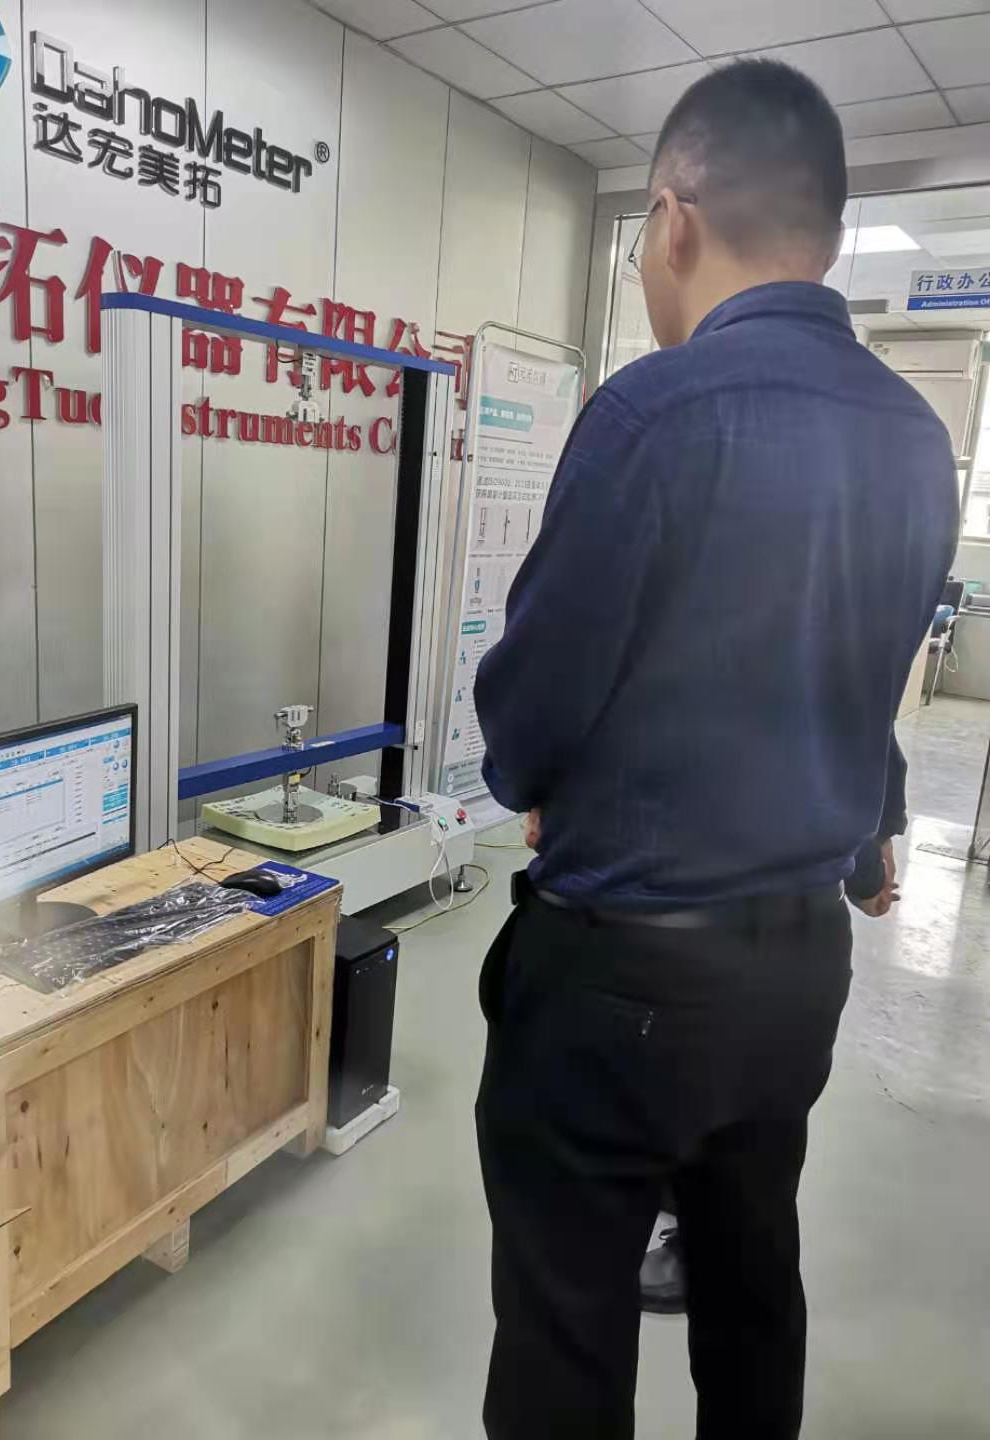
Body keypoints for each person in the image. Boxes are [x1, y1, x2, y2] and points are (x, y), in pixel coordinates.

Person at [473, 59, 958, 1440]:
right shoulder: (919, 442)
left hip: (622, 979)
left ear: (675, 220)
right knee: (750, 1289)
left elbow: (533, 710)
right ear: (829, 234)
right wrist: (862, 831)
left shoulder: (652, 413)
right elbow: (860, 681)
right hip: (794, 973)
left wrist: (538, 786)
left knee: (568, 1328)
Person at [637, 735, 909, 1315]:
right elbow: (867, 728)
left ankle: (708, 1249)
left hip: (728, 910)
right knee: (736, 1106)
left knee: (730, 1105)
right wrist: (872, 855)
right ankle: (692, 1211)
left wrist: (869, 858)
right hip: (794, 922)